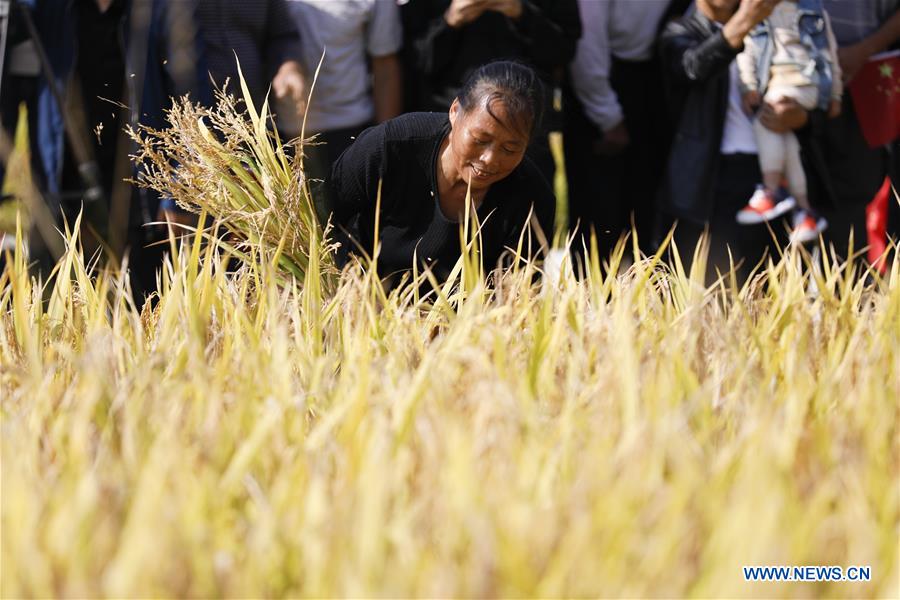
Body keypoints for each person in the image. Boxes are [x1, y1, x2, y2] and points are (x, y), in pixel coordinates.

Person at [23, 0, 210, 298]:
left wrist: (180, 192)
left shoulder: (161, 10)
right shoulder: (52, 9)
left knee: (144, 313)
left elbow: (194, 101)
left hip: (144, 199)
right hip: (65, 195)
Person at [330, 61, 555, 288]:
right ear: (455, 111)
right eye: (480, 140)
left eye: (510, 149)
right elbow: (318, 218)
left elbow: (517, 297)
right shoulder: (389, 147)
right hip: (360, 304)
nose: (489, 159)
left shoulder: (532, 200)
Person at [658, 0, 812, 280]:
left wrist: (800, 116)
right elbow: (692, 68)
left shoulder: (777, 27)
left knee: (774, 291)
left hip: (774, 176)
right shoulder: (679, 29)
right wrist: (745, 20)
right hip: (712, 181)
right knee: (716, 294)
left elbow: (809, 81)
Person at [400, 0, 581, 183]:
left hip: (526, 130)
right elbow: (413, 60)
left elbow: (564, 52)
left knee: (523, 204)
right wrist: (452, 20)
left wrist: (522, 14)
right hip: (445, 124)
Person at [565, 0, 691, 261]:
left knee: (649, 217)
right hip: (603, 88)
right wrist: (607, 117)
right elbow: (587, 43)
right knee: (599, 222)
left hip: (656, 81)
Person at [277, 0, 403, 222]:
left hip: (347, 132)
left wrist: (387, 148)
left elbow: (385, 64)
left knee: (343, 236)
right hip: (276, 133)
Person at [734, 0, 843, 245]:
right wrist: (749, 85)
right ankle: (805, 211)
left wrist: (835, 94)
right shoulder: (756, 10)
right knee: (790, 141)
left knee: (767, 118)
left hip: (806, 84)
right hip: (774, 82)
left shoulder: (813, 10)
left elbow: (830, 53)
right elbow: (747, 51)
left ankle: (771, 190)